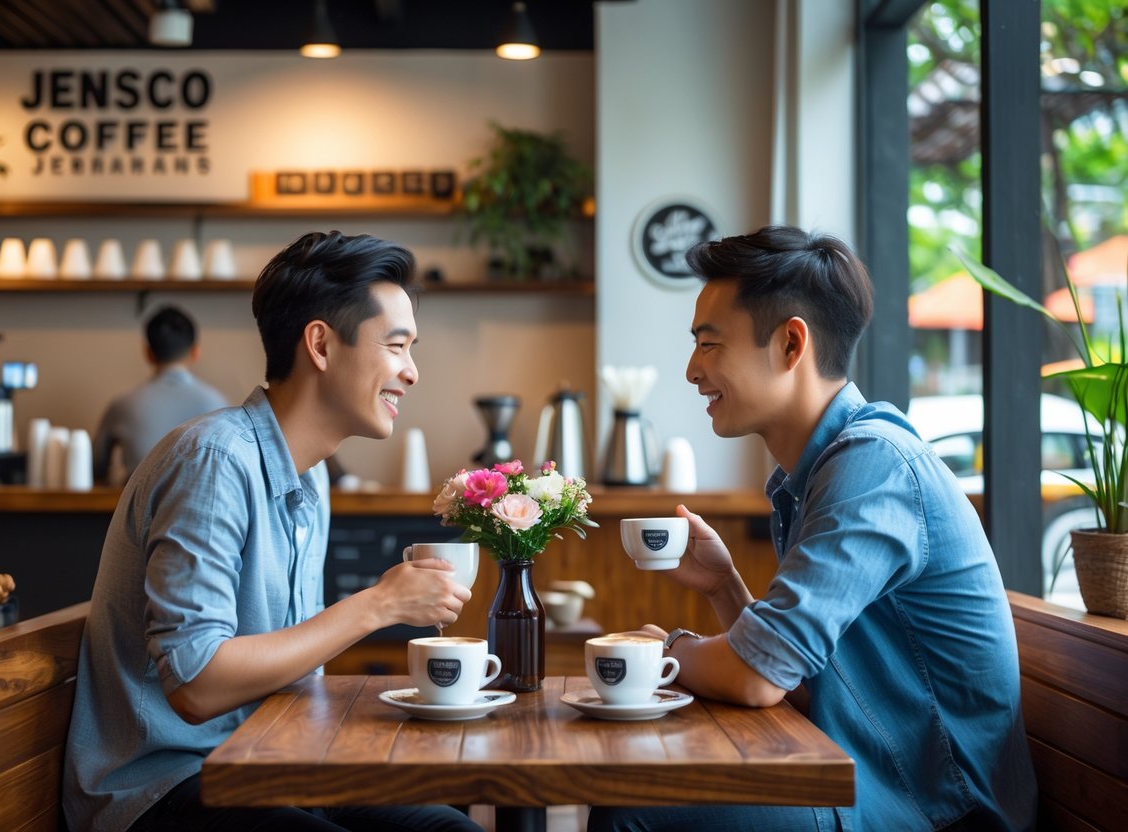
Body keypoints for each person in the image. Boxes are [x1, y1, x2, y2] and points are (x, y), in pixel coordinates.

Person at [590, 226, 1036, 832]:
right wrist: (725, 588)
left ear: (790, 344)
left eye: (710, 344)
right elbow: (794, 681)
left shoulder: (873, 466)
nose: (692, 369)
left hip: (936, 811)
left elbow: (759, 676)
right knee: (633, 785)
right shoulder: (821, 473)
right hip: (876, 778)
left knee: (633, 809)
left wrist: (664, 652)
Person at [63, 231, 482, 832]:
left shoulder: (310, 480)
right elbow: (198, 683)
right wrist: (377, 605)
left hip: (269, 762)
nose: (411, 373)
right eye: (397, 346)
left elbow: (287, 670)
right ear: (320, 345)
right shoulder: (214, 460)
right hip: (165, 788)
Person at [93, 304, 229, 484]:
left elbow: (95, 468)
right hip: (204, 508)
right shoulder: (218, 404)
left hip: (138, 509)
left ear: (148, 353)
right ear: (195, 352)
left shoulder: (122, 405)